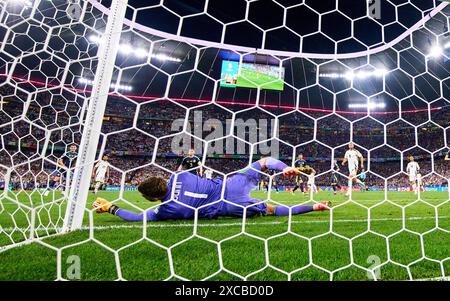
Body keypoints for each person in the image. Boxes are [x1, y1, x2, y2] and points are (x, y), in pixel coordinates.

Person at [93, 157, 330, 221]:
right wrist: (285, 167)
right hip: (230, 184)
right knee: (266, 162)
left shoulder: (166, 210)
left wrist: (110, 208)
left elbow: (136, 218)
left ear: (152, 197)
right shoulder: (179, 174)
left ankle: (314, 206)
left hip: (228, 206)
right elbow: (267, 161)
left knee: (271, 210)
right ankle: (287, 169)